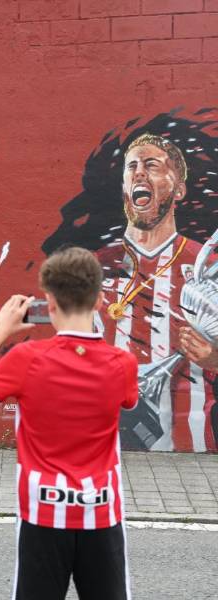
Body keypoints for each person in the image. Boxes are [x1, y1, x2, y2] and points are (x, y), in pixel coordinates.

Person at [0, 247, 137, 600]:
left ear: (49, 302)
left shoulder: (26, 360)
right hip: (100, 511)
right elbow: (128, 399)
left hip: (43, 512)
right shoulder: (122, 364)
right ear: (100, 300)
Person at [97, 133, 217, 452]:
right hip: (102, 442)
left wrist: (214, 357)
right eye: (132, 166)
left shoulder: (207, 265)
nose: (139, 172)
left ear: (178, 189)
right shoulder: (95, 266)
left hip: (189, 451)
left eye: (151, 165)